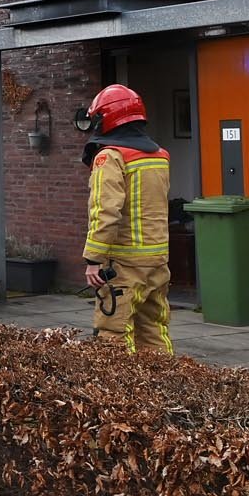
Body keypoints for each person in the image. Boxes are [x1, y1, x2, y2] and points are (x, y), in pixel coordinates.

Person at [81, 84, 173, 354]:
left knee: (113, 331)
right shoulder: (159, 155)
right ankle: (166, 386)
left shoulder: (110, 157)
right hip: (157, 259)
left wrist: (93, 260)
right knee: (154, 329)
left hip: (124, 261)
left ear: (104, 118)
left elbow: (105, 212)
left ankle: (124, 395)